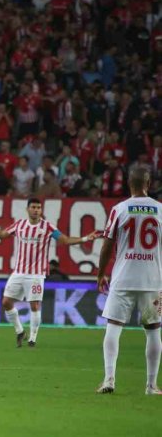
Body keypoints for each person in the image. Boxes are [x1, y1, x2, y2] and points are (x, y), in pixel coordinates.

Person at [0, 199, 98, 347]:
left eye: (38, 207)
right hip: (19, 272)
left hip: (36, 274)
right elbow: (1, 235)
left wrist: (86, 238)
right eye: (33, 207)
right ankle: (19, 331)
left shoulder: (48, 227)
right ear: (27, 209)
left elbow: (65, 240)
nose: (36, 210)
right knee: (6, 302)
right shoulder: (20, 225)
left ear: (41, 210)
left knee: (34, 305)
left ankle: (32, 338)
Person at [95, 168, 162, 395]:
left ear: (128, 183)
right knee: (153, 330)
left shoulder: (120, 209)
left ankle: (109, 379)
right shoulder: (160, 210)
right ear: (148, 183)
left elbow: (107, 245)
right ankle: (151, 385)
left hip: (123, 277)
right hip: (153, 279)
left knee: (113, 327)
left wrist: (100, 273)